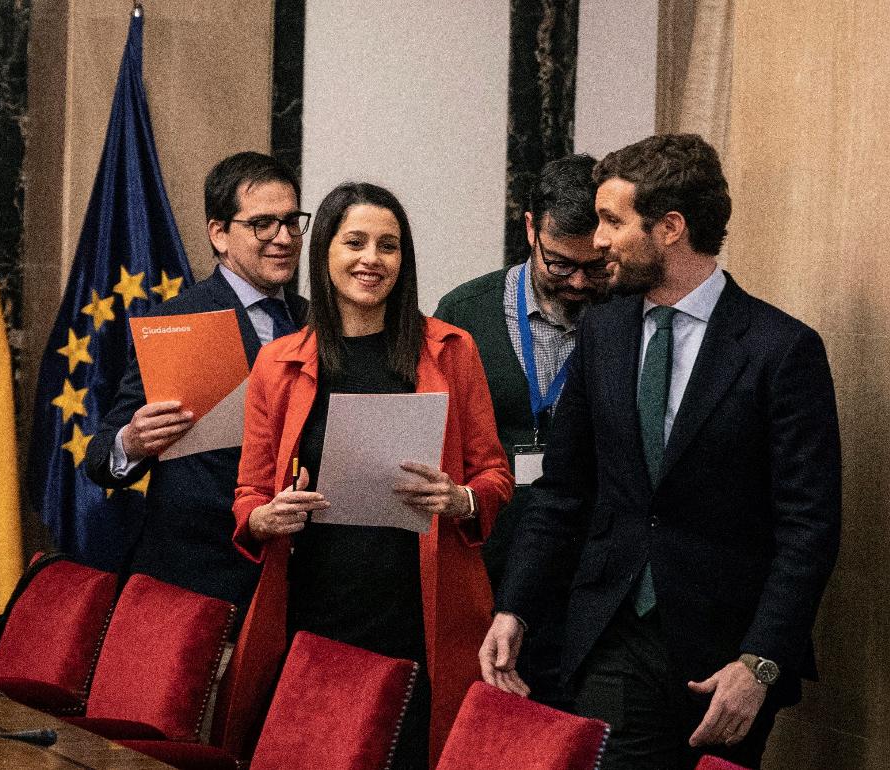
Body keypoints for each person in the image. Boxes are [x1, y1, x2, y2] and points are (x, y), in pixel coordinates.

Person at [479, 134, 841, 769]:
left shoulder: (780, 350)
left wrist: (759, 662)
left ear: (671, 228)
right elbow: (565, 490)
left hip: (726, 656)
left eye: (614, 221)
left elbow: (808, 526)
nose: (597, 241)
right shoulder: (604, 330)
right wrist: (515, 607)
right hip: (614, 630)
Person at [231, 182, 513, 769]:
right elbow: (249, 495)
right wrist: (264, 515)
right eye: (354, 242)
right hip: (313, 601)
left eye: (389, 246)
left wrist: (461, 498)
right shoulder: (278, 362)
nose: (372, 259)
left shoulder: (451, 350)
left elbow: (494, 473)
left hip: (418, 605)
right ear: (324, 253)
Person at [85, 151, 310, 607]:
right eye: (263, 224)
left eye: (292, 221)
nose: (283, 238)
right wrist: (133, 442)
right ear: (219, 234)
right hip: (201, 577)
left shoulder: (317, 322)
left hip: (299, 581)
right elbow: (100, 458)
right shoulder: (177, 321)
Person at [434, 153, 609, 710]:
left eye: (594, 266)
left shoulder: (626, 316)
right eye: (558, 265)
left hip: (587, 570)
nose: (579, 281)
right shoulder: (465, 313)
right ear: (530, 227)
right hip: (487, 559)